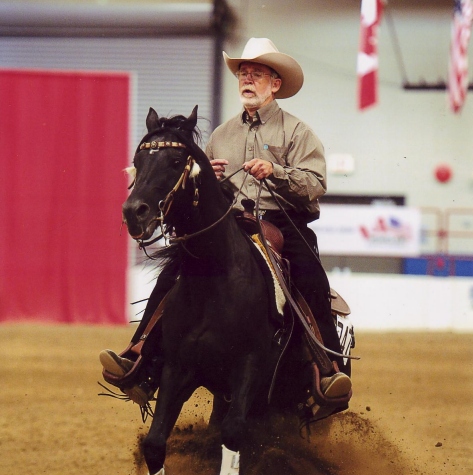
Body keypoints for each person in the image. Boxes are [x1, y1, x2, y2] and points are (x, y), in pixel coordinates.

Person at [100, 37, 351, 403]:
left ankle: (327, 368)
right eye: (243, 74)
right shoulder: (220, 135)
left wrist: (276, 171)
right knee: (174, 272)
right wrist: (208, 177)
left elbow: (316, 183)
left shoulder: (297, 132)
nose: (247, 80)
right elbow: (195, 191)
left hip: (284, 223)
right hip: (228, 224)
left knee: (310, 275)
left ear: (275, 84)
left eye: (257, 74)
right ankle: (140, 356)